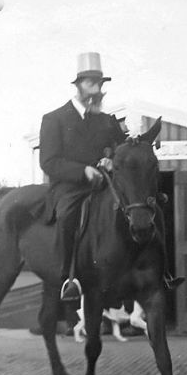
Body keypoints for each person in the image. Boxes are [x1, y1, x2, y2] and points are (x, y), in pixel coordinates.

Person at [39, 51, 127, 302]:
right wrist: (82, 171)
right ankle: (70, 277)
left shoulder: (107, 121)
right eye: (91, 84)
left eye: (100, 84)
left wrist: (112, 159)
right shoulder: (54, 119)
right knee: (68, 215)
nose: (97, 89)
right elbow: (49, 161)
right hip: (69, 187)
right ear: (78, 86)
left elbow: (119, 148)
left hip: (104, 184)